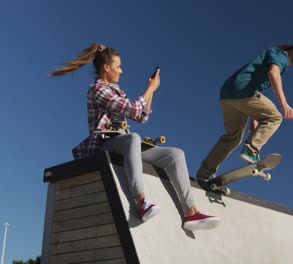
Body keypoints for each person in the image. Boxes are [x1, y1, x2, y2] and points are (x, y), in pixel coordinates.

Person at [49, 43, 221, 231]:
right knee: (133, 138)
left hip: (124, 142)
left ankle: (191, 213)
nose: (121, 71)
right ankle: (140, 203)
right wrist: (149, 91)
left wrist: (151, 90)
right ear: (106, 67)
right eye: (118, 66)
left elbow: (141, 116)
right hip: (104, 144)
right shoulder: (97, 90)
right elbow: (131, 109)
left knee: (175, 154)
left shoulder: (117, 91)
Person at [196, 39, 293, 182]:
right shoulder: (281, 55)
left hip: (228, 95)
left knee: (233, 137)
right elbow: (273, 73)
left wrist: (254, 118)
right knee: (275, 117)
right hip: (243, 91)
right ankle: (251, 149)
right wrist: (284, 103)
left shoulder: (273, 55)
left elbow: (256, 84)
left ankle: (204, 173)